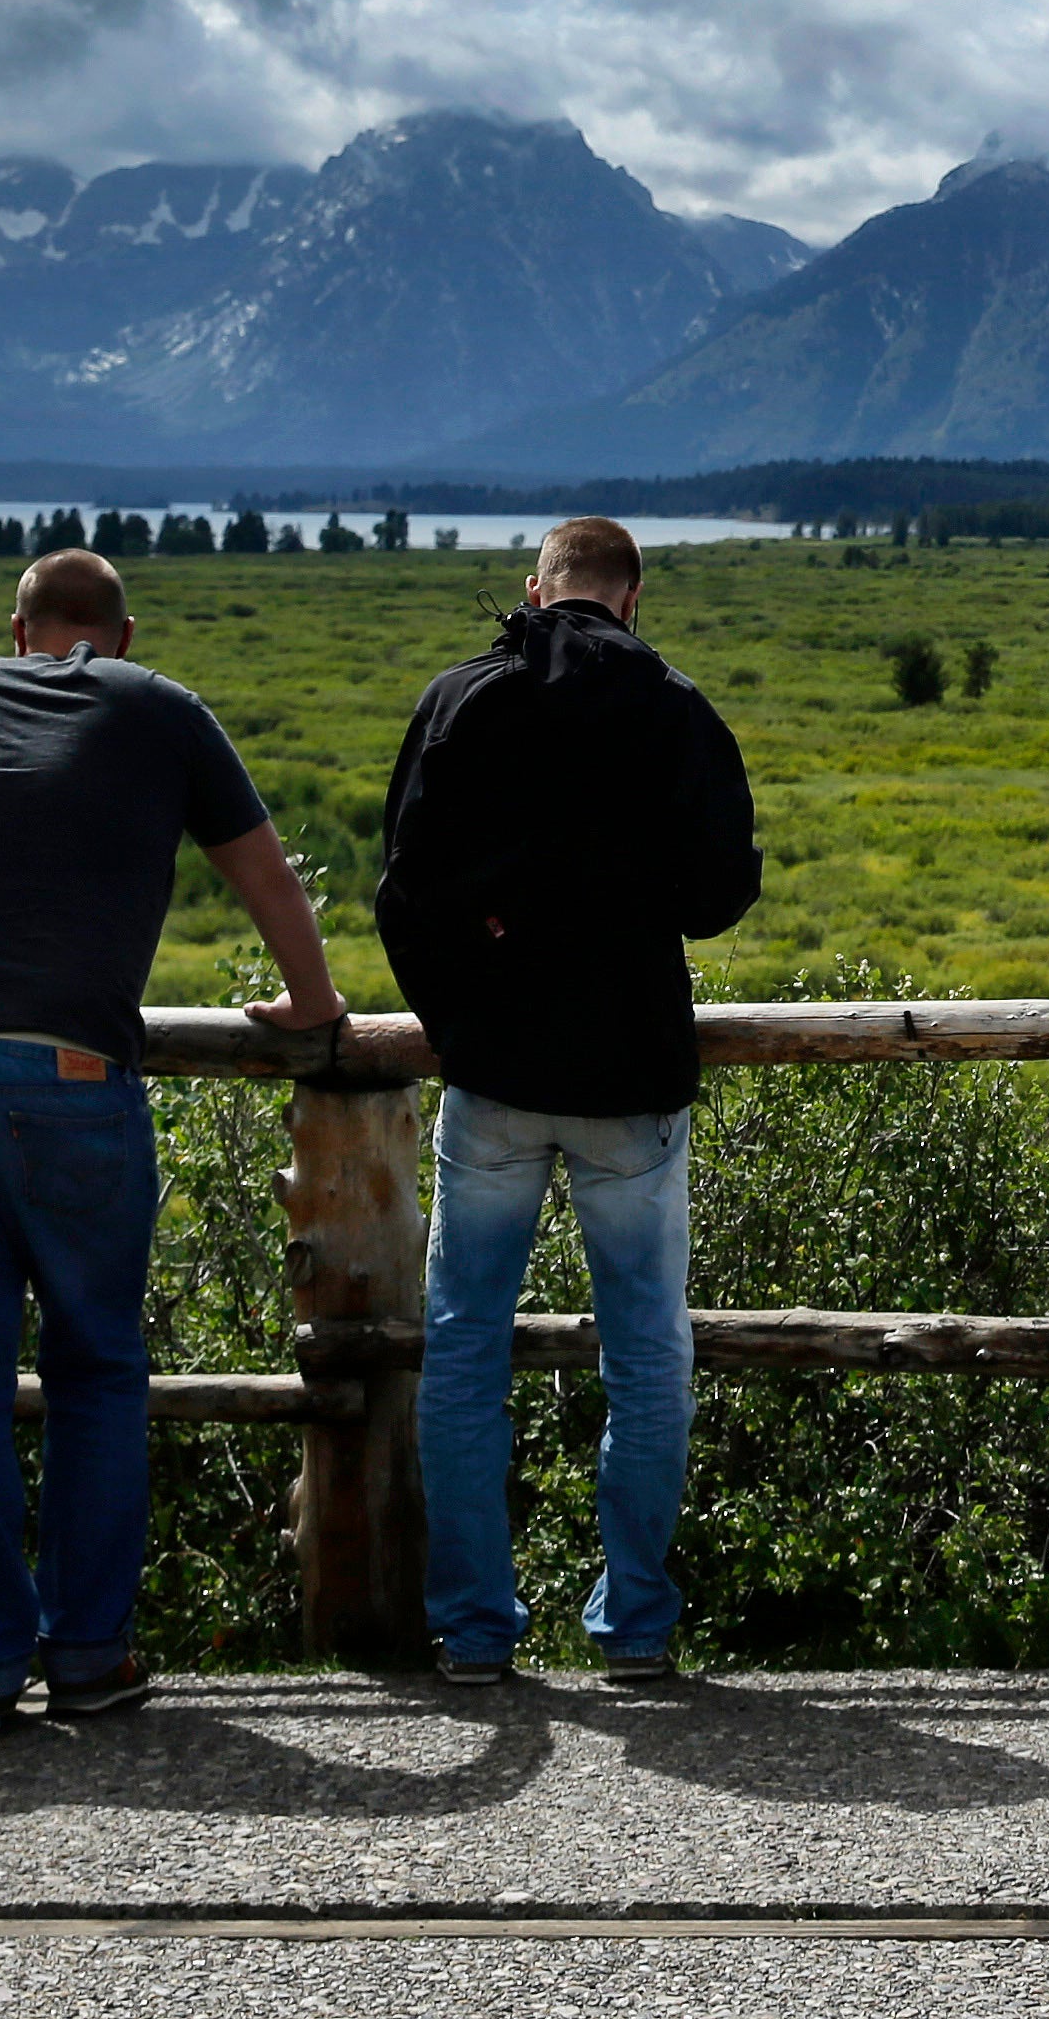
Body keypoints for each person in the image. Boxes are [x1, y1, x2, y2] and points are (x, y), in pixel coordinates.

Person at [0, 547, 342, 1735]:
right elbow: (268, 878)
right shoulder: (161, 706)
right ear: (123, 635)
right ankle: (87, 1653)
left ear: (14, 626)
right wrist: (316, 1011)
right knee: (94, 1364)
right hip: (66, 1069)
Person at [372, 517, 763, 1689]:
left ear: (533, 589)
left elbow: (403, 890)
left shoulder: (462, 697)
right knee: (647, 1347)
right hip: (632, 1075)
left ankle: (477, 1629)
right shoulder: (677, 709)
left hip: (493, 1080)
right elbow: (718, 898)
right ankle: (635, 1622)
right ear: (632, 601)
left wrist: (464, 1019)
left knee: (462, 1343)